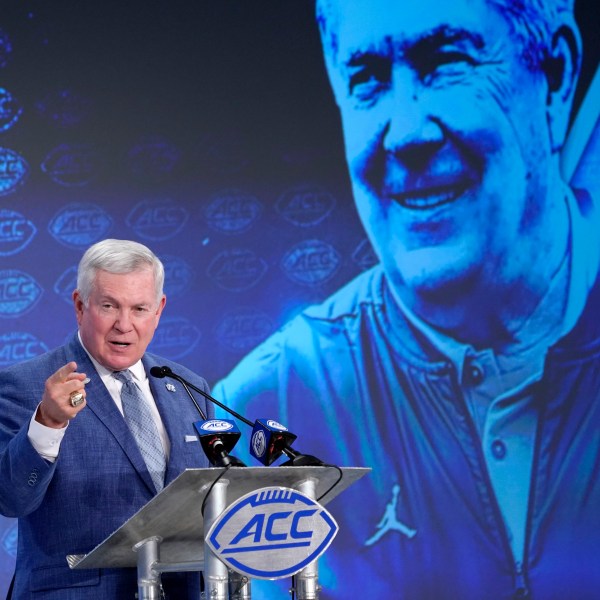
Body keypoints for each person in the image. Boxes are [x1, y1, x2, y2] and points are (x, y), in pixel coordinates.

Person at [213, 0, 600, 598]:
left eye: (445, 62)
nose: (407, 133)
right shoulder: (267, 411)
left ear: (554, 75)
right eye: (367, 80)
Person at [0, 239, 214, 599]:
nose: (124, 325)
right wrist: (48, 423)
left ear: (159, 310)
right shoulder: (27, 386)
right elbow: (10, 499)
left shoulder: (189, 387)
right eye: (109, 306)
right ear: (80, 306)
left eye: (139, 308)